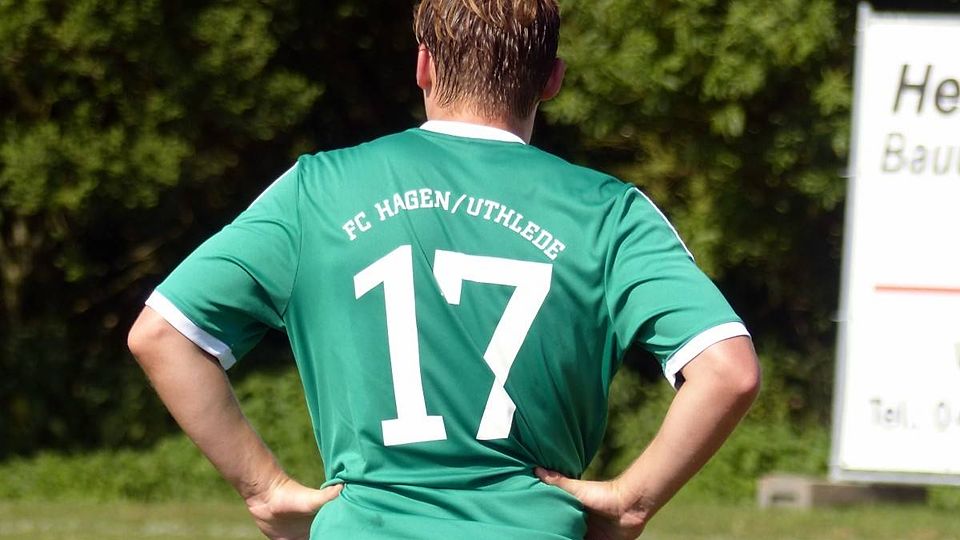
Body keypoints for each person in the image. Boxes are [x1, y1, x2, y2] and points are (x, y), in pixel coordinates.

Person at [127, 0, 761, 538]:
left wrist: (265, 492)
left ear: (424, 66)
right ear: (552, 79)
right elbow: (728, 371)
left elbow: (162, 333)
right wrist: (631, 501)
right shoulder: (610, 212)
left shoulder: (315, 190)